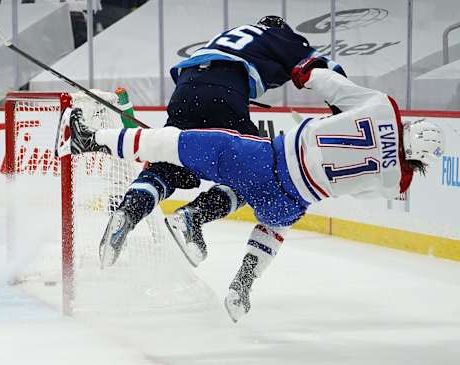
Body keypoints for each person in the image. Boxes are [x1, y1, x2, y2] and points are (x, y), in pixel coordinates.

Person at [63, 59, 445, 322]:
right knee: (270, 225)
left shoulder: (381, 107)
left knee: (177, 144)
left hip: (270, 159)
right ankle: (241, 285)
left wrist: (304, 73)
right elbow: (354, 188)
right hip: (294, 199)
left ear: (412, 127)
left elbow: (328, 82)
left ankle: (91, 139)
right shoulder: (393, 180)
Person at [93, 15, 347, 269]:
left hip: (185, 88)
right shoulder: (279, 37)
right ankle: (193, 216)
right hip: (223, 90)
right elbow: (325, 69)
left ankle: (128, 211)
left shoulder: (235, 35)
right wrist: (343, 114)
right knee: (258, 174)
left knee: (170, 165)